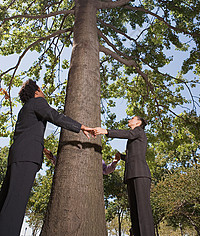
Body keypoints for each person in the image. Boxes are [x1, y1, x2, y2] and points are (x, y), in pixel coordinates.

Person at [0, 79, 94, 236]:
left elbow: (28, 131)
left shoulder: (24, 109)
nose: (43, 92)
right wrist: (81, 127)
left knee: (6, 201)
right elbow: (54, 116)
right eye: (41, 89)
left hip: (17, 156)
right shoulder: (38, 102)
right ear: (36, 92)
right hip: (27, 157)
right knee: (15, 204)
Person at [94, 116, 155, 236]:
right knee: (135, 211)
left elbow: (127, 134)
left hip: (140, 174)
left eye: (131, 119)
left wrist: (106, 131)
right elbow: (133, 156)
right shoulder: (136, 136)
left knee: (143, 210)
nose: (128, 120)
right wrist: (121, 157)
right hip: (131, 175)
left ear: (138, 122)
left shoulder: (138, 131)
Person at [43, 148, 121, 175]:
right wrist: (51, 157)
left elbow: (105, 170)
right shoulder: (71, 152)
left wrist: (115, 161)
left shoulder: (97, 159)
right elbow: (60, 162)